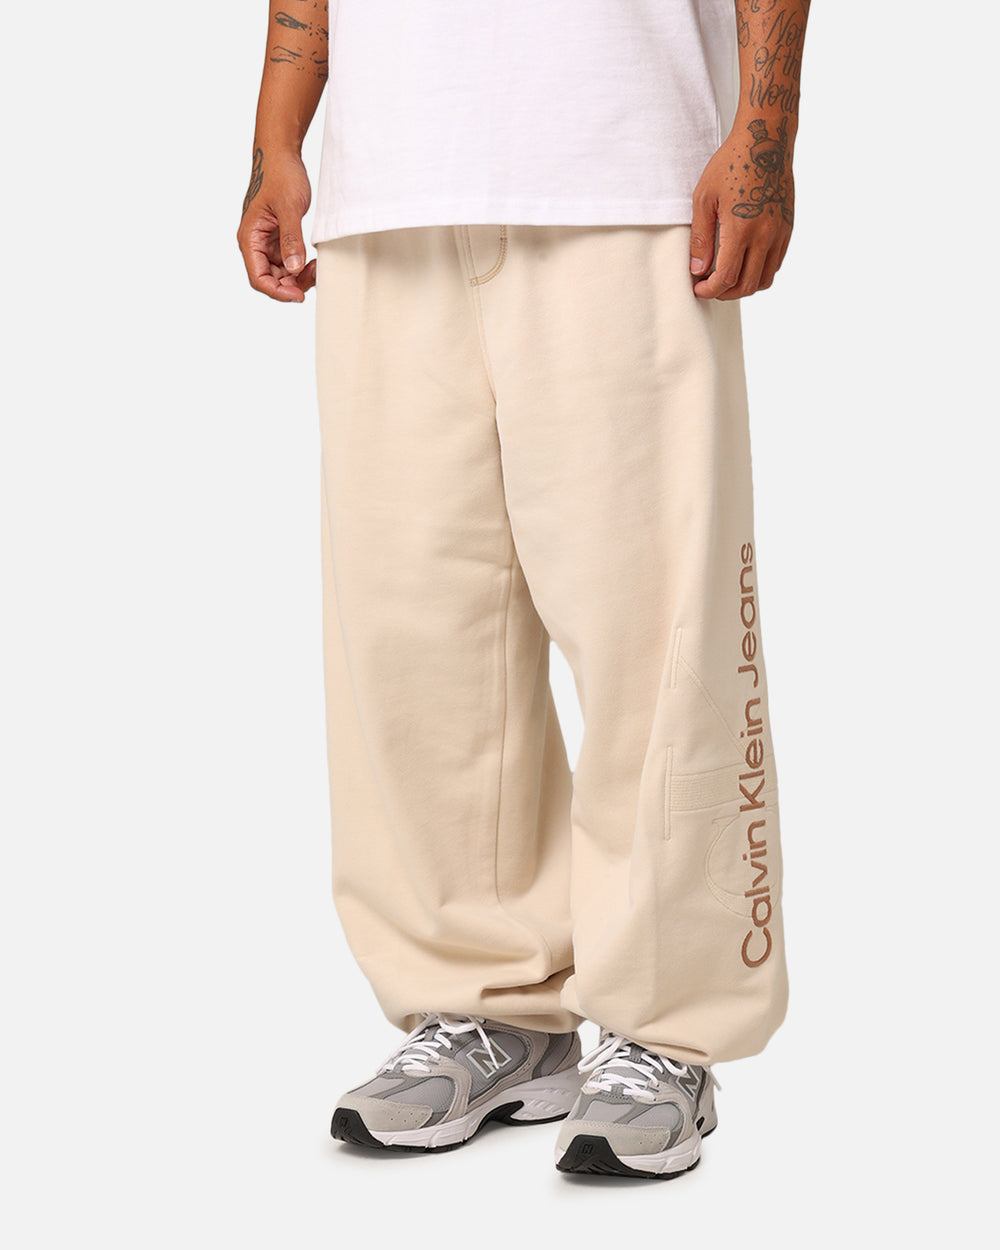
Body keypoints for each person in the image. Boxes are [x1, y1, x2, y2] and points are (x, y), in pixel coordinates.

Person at [237, 0, 809, 1180]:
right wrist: (276, 137)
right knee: (411, 635)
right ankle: (484, 1004)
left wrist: (763, 134)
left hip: (623, 171)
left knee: (656, 630)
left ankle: (667, 1029)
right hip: (390, 184)